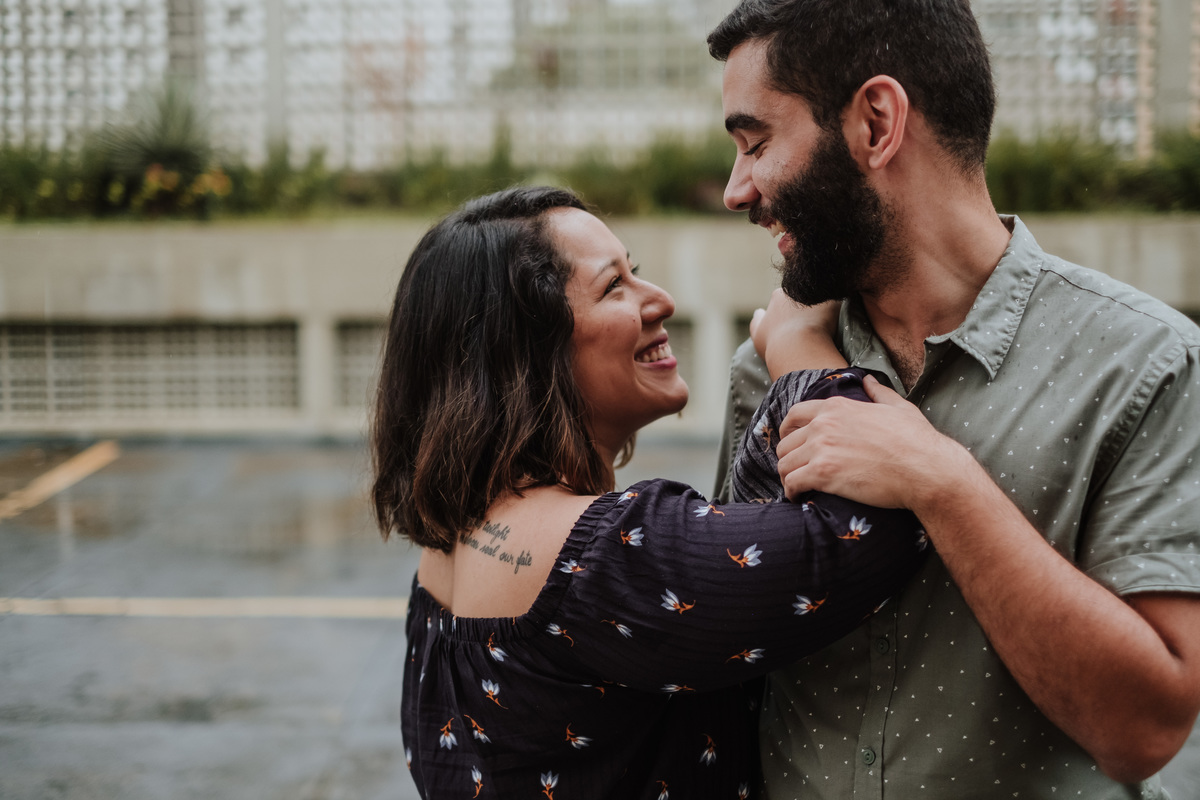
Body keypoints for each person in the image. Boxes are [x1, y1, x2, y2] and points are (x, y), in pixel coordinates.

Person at [706, 1, 1200, 798]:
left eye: (756, 143)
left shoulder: (1146, 364)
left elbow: (1143, 730)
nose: (738, 190)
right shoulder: (764, 373)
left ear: (876, 122)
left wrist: (943, 482)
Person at [370, 185, 928, 799]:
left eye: (636, 272)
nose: (658, 299)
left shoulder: (448, 554)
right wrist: (799, 349)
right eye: (614, 286)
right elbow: (871, 528)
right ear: (525, 350)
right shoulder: (600, 558)